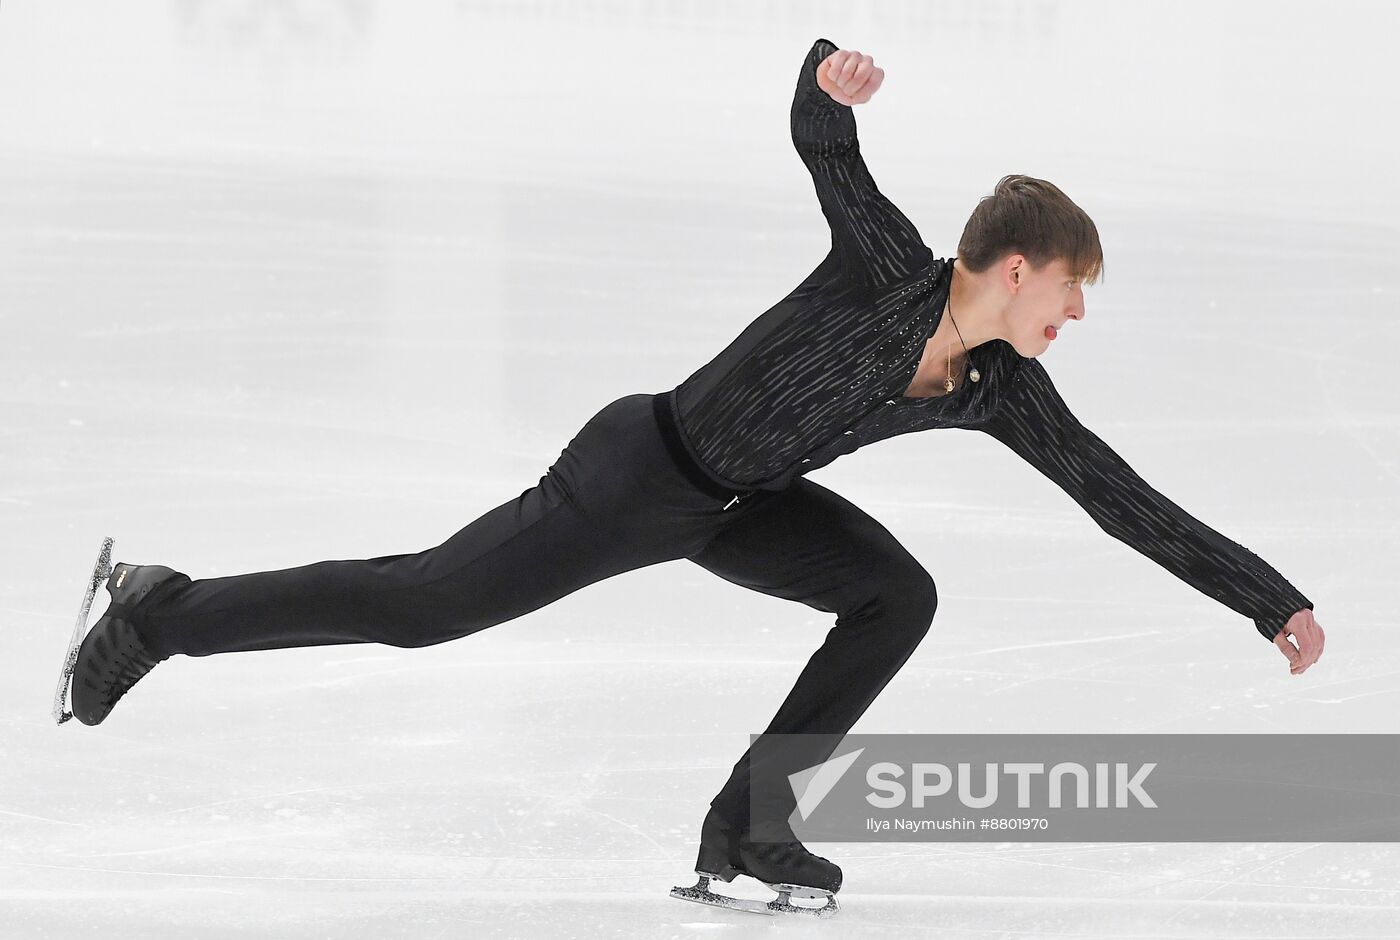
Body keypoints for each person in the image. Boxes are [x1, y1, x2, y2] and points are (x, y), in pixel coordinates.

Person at [60, 37, 1324, 916]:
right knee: (420, 607)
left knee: (896, 593)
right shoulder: (894, 269)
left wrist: (1265, 599)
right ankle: (160, 610)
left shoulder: (1001, 388)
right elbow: (824, 148)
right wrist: (826, 82)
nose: (1074, 318)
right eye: (1068, 293)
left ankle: (749, 826)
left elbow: (1123, 497)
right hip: (642, 469)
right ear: (1011, 270)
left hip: (741, 508)